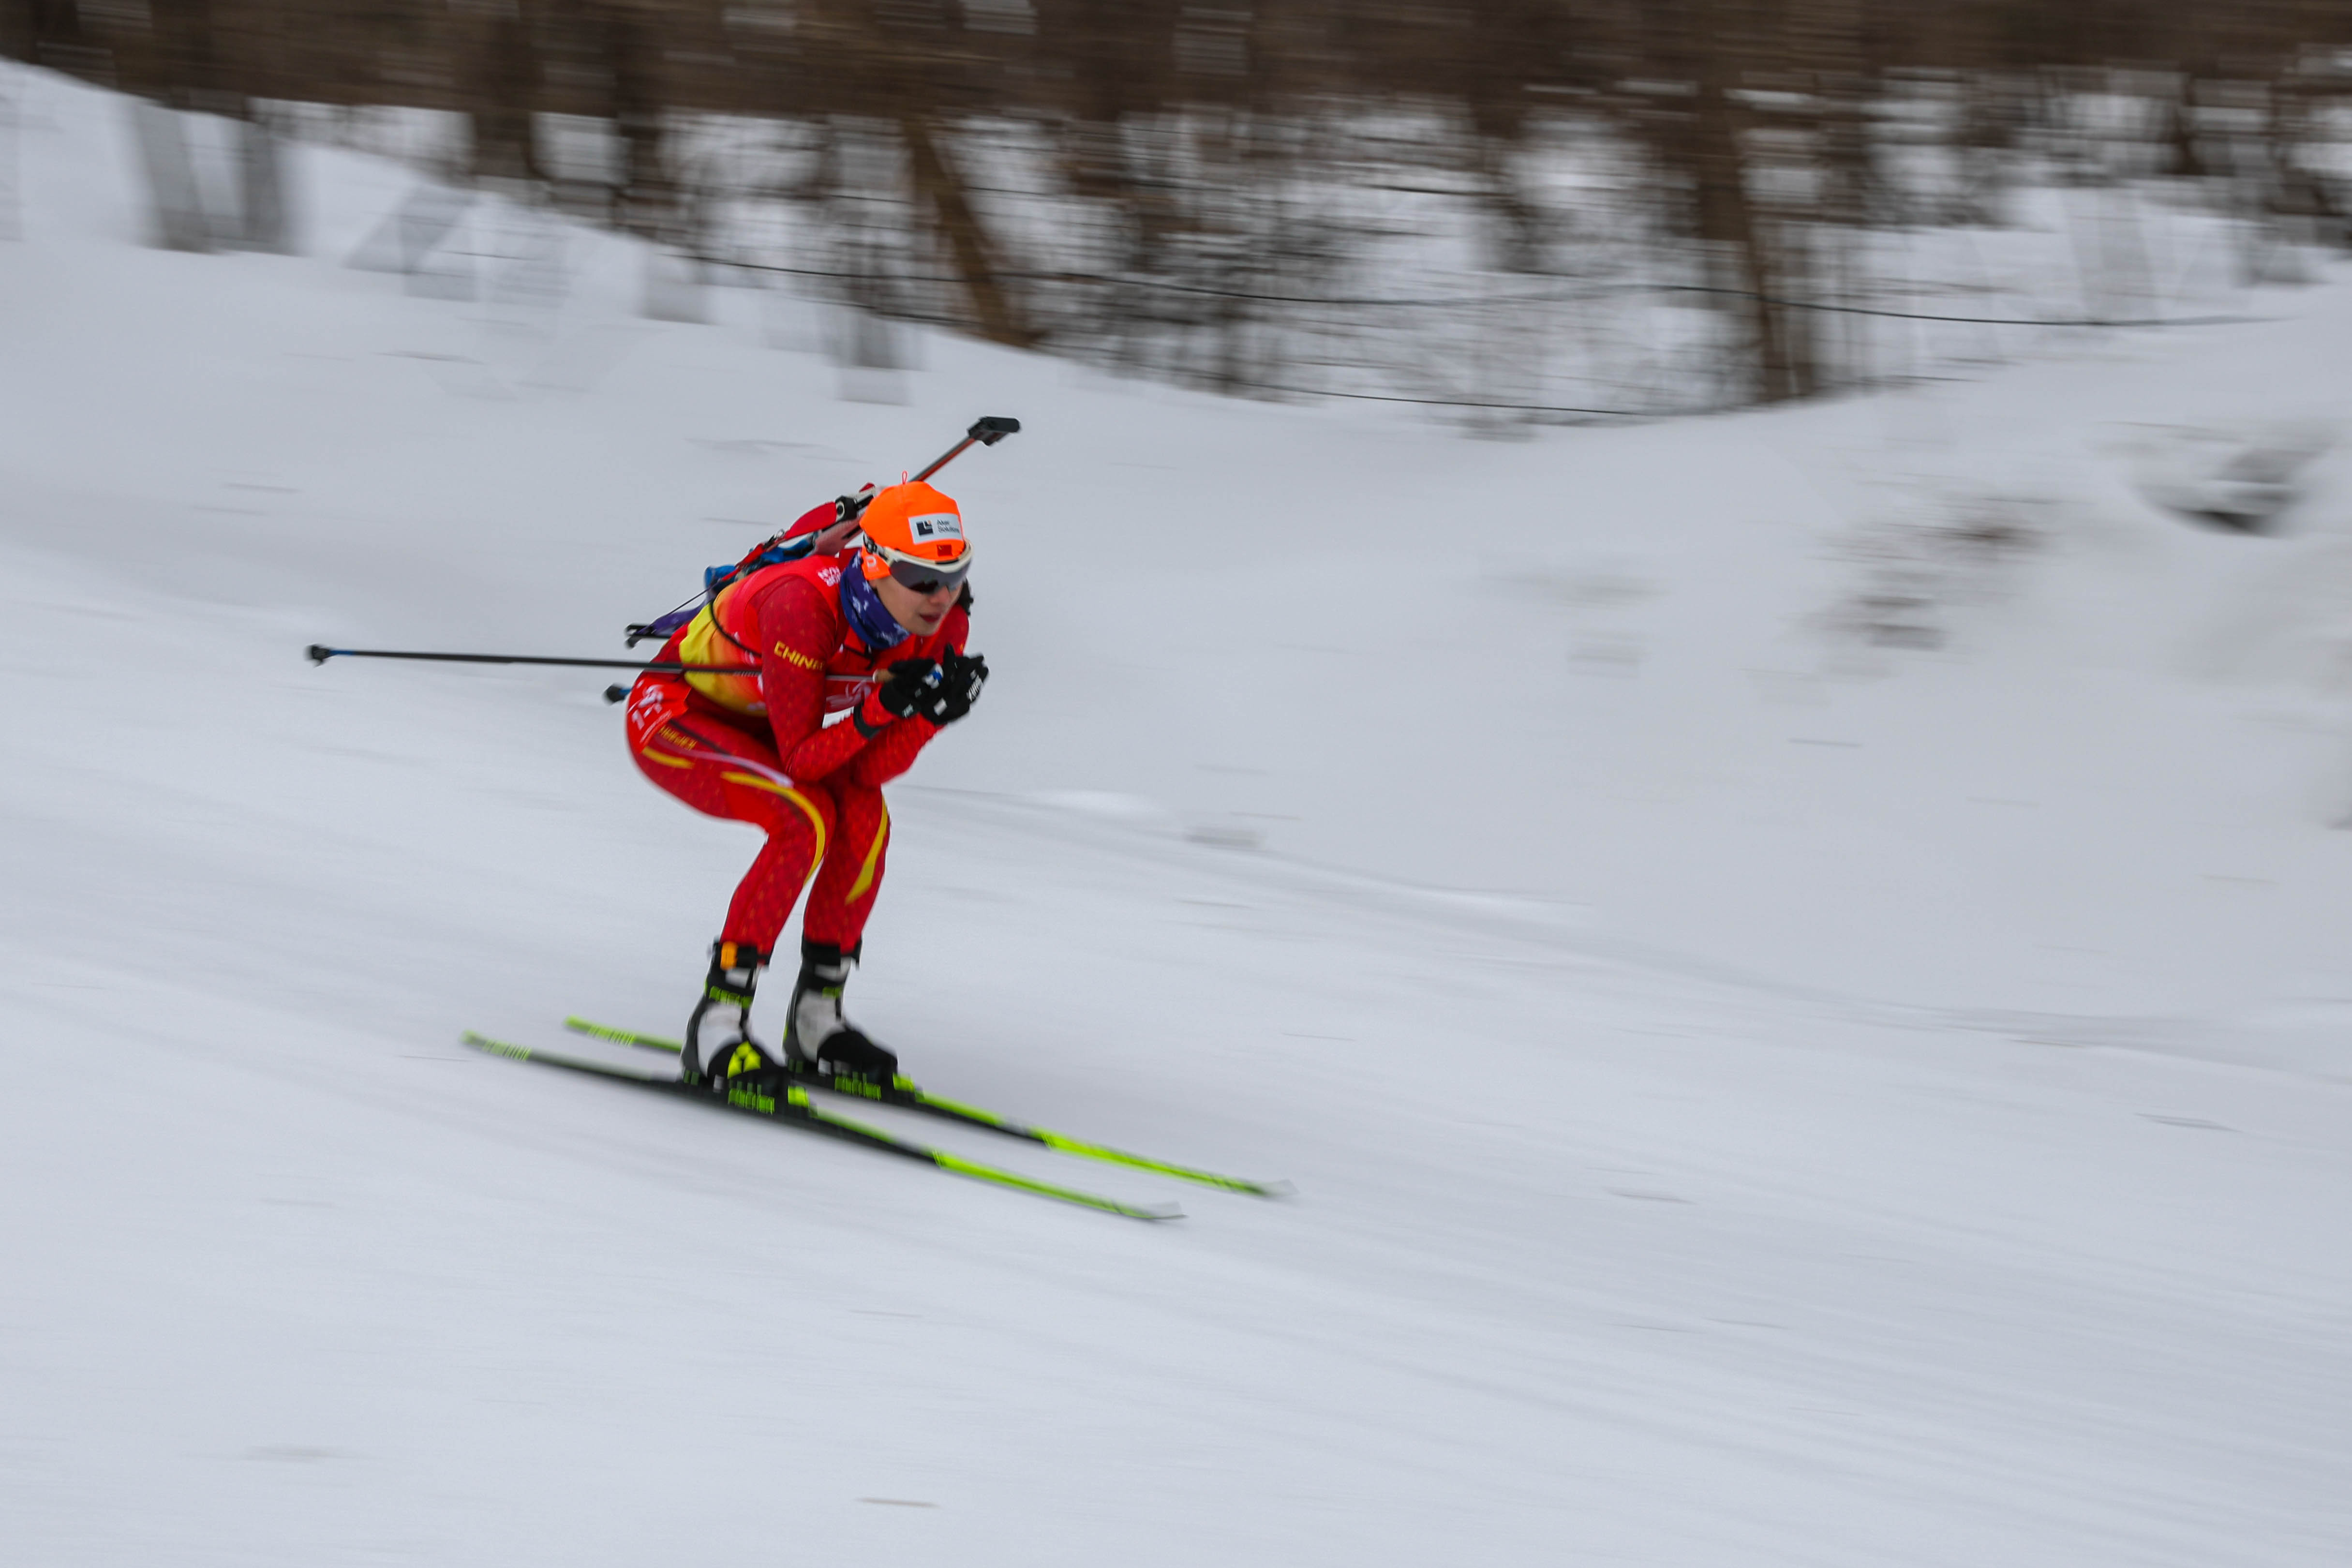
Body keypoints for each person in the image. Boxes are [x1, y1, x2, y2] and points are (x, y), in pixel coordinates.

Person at [622, 479, 987, 1092]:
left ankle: (817, 1017)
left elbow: (867, 771)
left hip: (774, 731)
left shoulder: (944, 623)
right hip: (680, 716)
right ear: (873, 564)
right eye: (921, 578)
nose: (940, 597)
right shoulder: (800, 604)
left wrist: (925, 717)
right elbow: (805, 761)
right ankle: (716, 1020)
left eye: (955, 577)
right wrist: (879, 713)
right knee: (804, 818)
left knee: (865, 817)